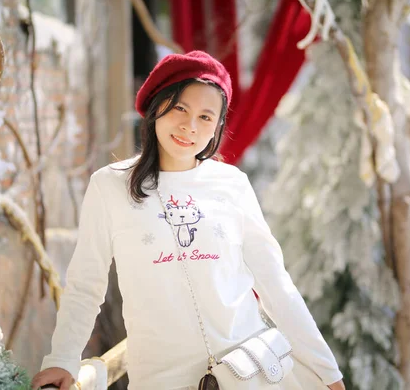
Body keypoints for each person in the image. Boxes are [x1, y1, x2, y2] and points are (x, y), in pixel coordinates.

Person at [31, 51, 344, 390]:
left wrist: (327, 371)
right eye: (180, 108)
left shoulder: (231, 183)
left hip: (250, 373)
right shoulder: (109, 186)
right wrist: (62, 360)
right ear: (156, 107)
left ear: (217, 127)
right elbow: (85, 285)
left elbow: (275, 285)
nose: (189, 126)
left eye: (206, 117)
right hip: (161, 379)